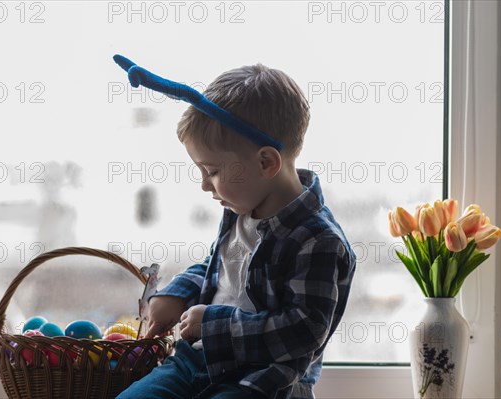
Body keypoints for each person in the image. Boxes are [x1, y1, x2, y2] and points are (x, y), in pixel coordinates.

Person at [116, 62, 356, 399]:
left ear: (265, 163)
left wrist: (213, 326)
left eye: (212, 171)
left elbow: (304, 330)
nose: (204, 185)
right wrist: (178, 293)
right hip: (194, 362)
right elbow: (220, 271)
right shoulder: (240, 208)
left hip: (260, 382)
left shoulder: (318, 240)